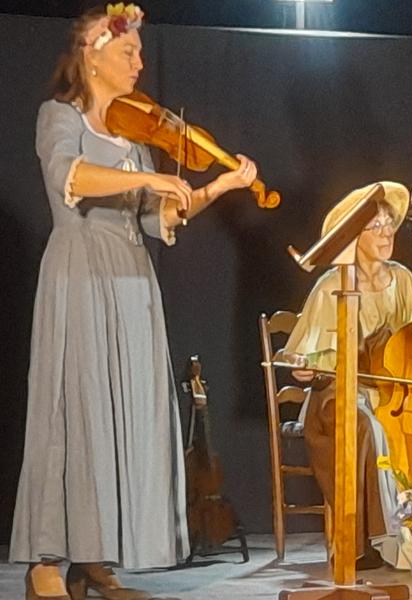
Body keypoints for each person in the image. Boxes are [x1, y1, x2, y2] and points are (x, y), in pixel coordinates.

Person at [10, 5, 259, 600]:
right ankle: (46, 562)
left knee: (123, 417)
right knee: (74, 414)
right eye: (128, 52)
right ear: (92, 56)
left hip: (132, 281)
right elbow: (71, 177)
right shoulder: (59, 117)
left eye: (141, 53)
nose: (139, 63)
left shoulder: (135, 137)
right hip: (81, 272)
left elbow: (159, 218)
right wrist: (146, 179)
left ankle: (95, 561)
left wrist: (217, 186)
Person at [284, 181, 412, 570]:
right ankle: (384, 537)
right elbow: (303, 357)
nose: (386, 234)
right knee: (373, 428)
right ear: (353, 235)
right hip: (341, 392)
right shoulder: (331, 285)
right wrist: (304, 366)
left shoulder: (404, 279)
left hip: (402, 394)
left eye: (390, 225)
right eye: (375, 226)